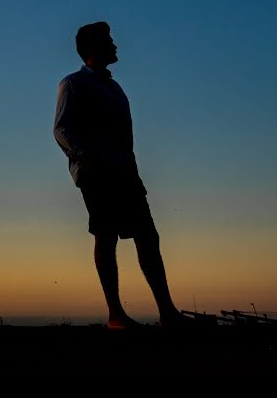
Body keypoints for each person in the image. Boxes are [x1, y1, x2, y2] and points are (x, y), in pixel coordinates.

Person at [53, 21, 193, 330]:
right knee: (106, 237)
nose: (115, 45)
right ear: (91, 49)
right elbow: (61, 128)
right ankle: (115, 314)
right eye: (108, 41)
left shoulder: (115, 87)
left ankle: (166, 311)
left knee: (148, 237)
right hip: (96, 172)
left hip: (125, 172)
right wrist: (84, 157)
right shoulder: (73, 84)